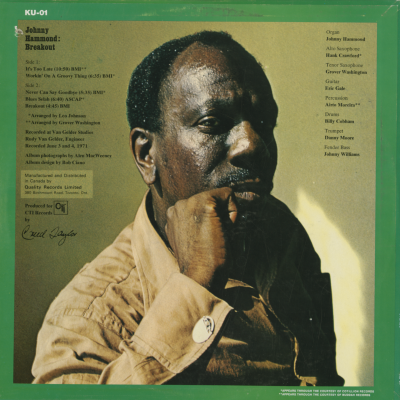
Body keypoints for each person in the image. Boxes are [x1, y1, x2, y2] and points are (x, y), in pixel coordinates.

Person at [32, 31, 344, 386]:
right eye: (212, 123)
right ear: (146, 155)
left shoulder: (281, 229)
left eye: (264, 123)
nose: (253, 144)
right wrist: (196, 284)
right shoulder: (88, 320)